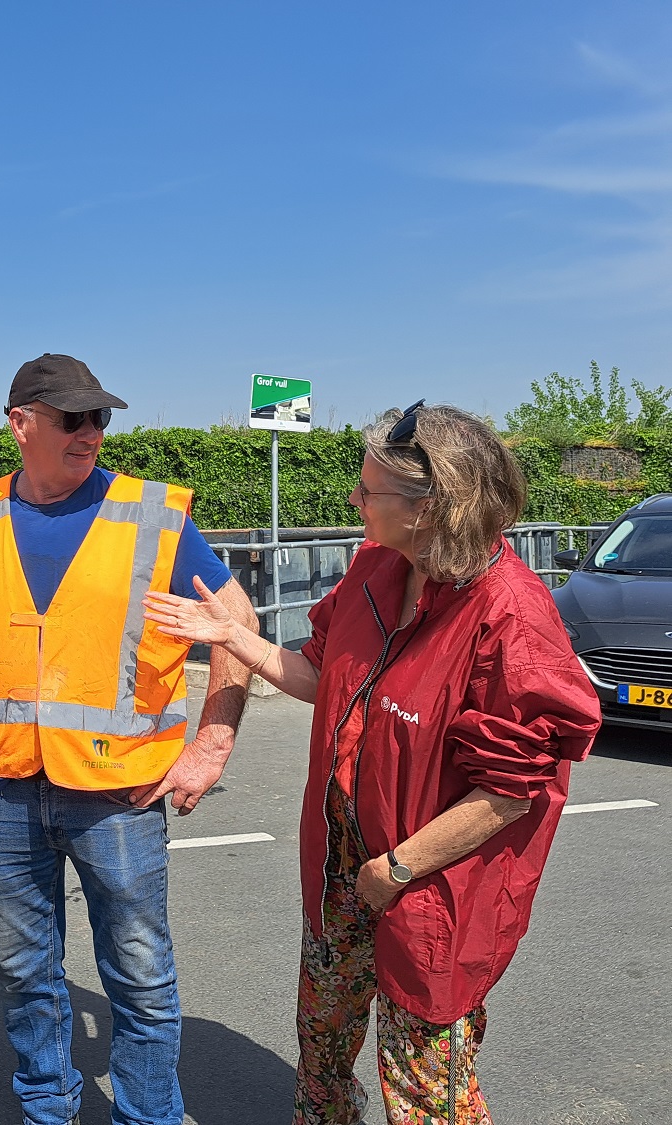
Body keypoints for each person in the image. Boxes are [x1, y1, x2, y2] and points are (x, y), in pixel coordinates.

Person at [144, 401, 602, 1124]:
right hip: (341, 866)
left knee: (426, 1080)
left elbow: (510, 793)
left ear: (433, 506)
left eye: (369, 491)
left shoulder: (512, 618)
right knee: (321, 1045)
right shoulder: (377, 567)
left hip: (424, 884)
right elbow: (318, 672)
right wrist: (233, 636)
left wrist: (397, 868)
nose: (354, 500)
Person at [0, 353, 260, 1125]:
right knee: (26, 971)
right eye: (73, 417)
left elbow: (240, 623)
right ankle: (48, 1109)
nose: (92, 431)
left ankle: (146, 1116)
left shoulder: (152, 514)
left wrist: (211, 745)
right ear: (20, 423)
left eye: (100, 417)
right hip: (2, 787)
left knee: (139, 977)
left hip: (119, 795)